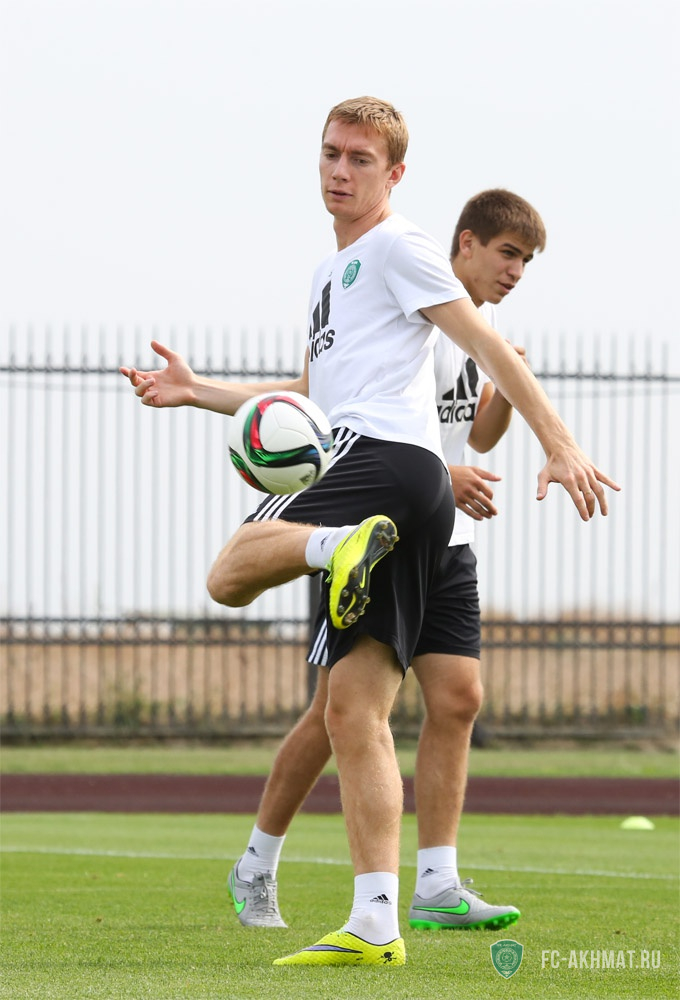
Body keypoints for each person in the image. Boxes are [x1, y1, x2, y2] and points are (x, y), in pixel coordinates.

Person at [121, 97, 618, 968]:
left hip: (379, 463)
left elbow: (486, 349)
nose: (339, 171)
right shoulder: (331, 272)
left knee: (228, 573)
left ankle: (334, 545)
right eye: (331, 154)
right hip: (406, 482)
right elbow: (308, 397)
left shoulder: (397, 246)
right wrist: (198, 393)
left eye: (359, 159)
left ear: (394, 174)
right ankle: (378, 921)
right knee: (353, 711)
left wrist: (560, 441)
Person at [228, 188, 545, 937]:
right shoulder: (411, 309)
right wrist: (438, 473)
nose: (515, 271)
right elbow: (326, 402)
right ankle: (257, 861)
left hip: (448, 538)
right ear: (464, 245)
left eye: (526, 262)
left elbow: (481, 437)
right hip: (385, 521)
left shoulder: (478, 332)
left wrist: (504, 390)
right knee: (333, 714)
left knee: (459, 698)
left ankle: (437, 882)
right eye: (507, 254)